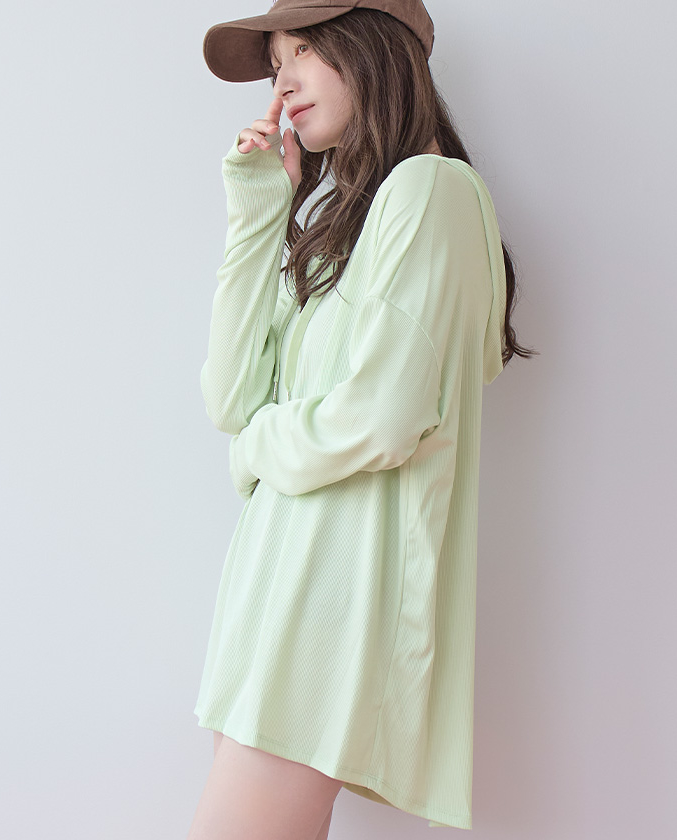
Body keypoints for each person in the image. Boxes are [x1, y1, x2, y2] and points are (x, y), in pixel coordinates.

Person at [187, 2, 537, 838]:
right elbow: (231, 398)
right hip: (274, 588)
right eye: (277, 63)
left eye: (304, 50)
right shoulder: (341, 229)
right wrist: (260, 210)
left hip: (331, 599)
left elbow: (383, 418)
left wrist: (260, 447)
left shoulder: (431, 190)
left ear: (374, 49)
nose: (283, 81)